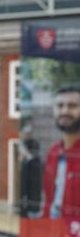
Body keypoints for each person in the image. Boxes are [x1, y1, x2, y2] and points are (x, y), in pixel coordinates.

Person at [41, 85, 80, 219]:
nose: (64, 111)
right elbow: (48, 199)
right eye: (60, 106)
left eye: (72, 106)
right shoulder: (53, 152)